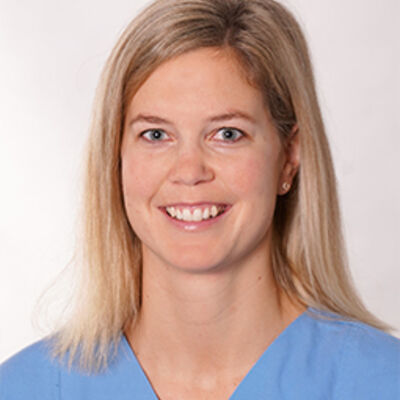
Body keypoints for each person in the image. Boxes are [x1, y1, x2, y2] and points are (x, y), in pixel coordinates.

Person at [1, 0, 399, 398]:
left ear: (288, 158)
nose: (189, 171)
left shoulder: (382, 382)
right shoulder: (25, 389)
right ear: (115, 157)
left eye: (228, 134)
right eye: (156, 135)